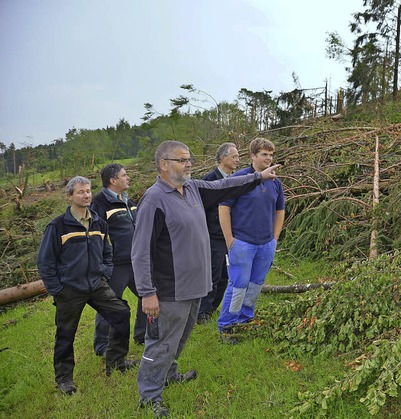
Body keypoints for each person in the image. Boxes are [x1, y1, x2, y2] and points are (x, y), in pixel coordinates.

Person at [131, 140, 279, 417]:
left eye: (189, 159)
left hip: (196, 285)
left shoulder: (192, 189)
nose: (189, 164)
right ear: (164, 165)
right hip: (169, 289)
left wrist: (258, 176)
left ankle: (169, 373)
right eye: (182, 160)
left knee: (181, 337)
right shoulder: (153, 200)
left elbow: (226, 186)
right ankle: (149, 394)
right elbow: (140, 252)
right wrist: (147, 292)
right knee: (162, 342)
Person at [37, 176, 138, 396]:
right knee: (66, 334)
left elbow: (107, 253)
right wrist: (58, 290)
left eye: (88, 191)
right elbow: (45, 262)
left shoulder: (99, 223)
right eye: (81, 192)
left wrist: (105, 274)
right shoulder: (58, 226)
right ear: (69, 196)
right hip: (70, 290)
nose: (86, 195)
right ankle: (64, 379)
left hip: (96, 285)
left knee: (121, 313)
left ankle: (116, 362)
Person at [217, 137, 285, 344]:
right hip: (243, 243)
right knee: (239, 285)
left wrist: (274, 238)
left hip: (265, 244)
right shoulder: (239, 178)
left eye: (271, 155)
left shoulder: (275, 181)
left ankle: (245, 319)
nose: (268, 158)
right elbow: (224, 208)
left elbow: (280, 210)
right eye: (264, 154)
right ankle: (227, 325)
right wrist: (230, 240)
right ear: (253, 156)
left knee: (256, 284)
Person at [91, 164, 146, 356]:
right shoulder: (99, 203)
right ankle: (102, 345)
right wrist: (103, 265)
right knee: (110, 303)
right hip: (116, 265)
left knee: (146, 295)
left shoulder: (127, 200)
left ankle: (142, 334)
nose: (128, 177)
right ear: (113, 180)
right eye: (124, 175)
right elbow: (96, 236)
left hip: (135, 261)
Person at [197, 142, 240, 324]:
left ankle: (213, 307)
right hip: (212, 236)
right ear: (223, 158)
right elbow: (200, 210)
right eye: (234, 156)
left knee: (225, 275)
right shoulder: (210, 181)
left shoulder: (233, 179)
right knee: (212, 275)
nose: (238, 160)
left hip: (227, 235)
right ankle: (202, 313)